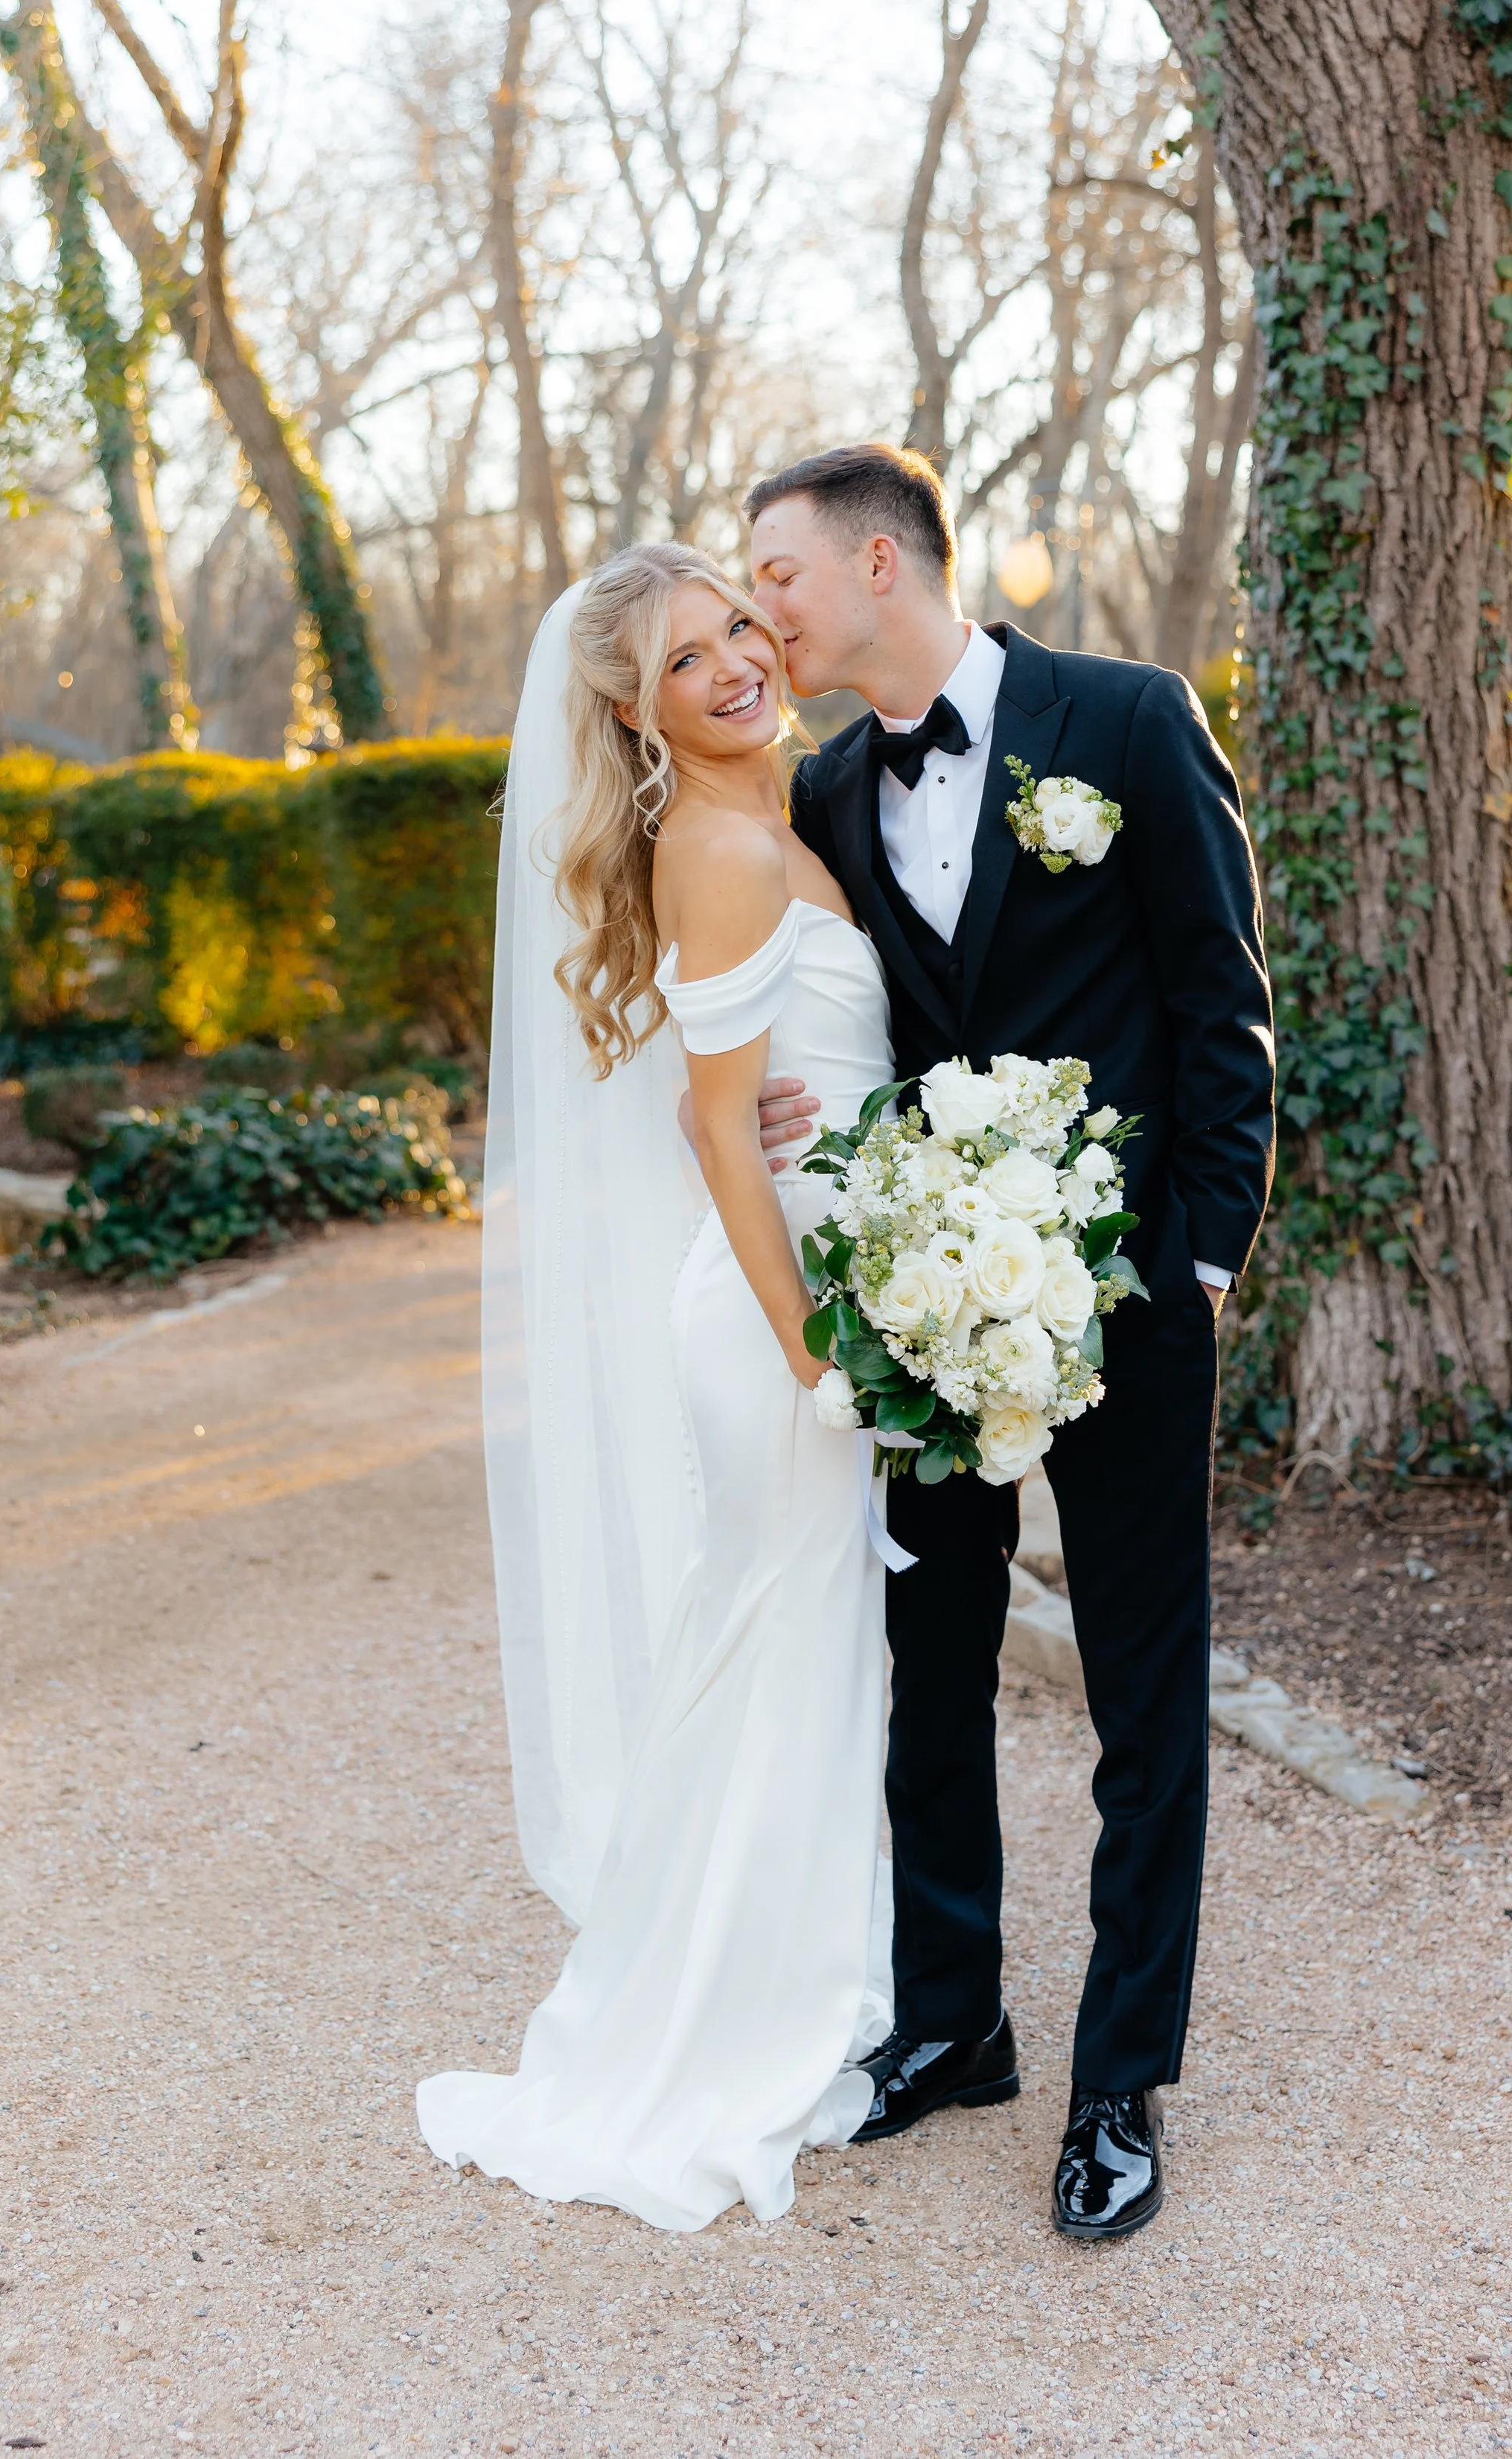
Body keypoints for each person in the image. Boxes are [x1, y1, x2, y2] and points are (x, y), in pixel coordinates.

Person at [747, 442, 1275, 2242]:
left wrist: (1197, 1267)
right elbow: (834, 1017)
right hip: (923, 1307)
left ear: (882, 563)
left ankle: (1118, 2077)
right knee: (932, 1666)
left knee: (1141, 1687)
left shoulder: (1123, 723)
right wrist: (780, 1127)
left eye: (782, 578)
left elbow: (1221, 1005)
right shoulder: (826, 790)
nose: (766, 611)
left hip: (1121, 1300)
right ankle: (952, 2020)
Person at [416, 544, 898, 2233]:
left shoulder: (780, 826)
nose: (731, 666)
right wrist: (812, 1349)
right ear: (634, 709)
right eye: (685, 660)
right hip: (776, 1319)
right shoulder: (713, 844)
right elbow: (713, 1123)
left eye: (737, 632)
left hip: (818, 1282)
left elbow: (780, 1082)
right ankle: (727, 2017)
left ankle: (807, 1978)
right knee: (775, 1651)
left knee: (794, 1653)